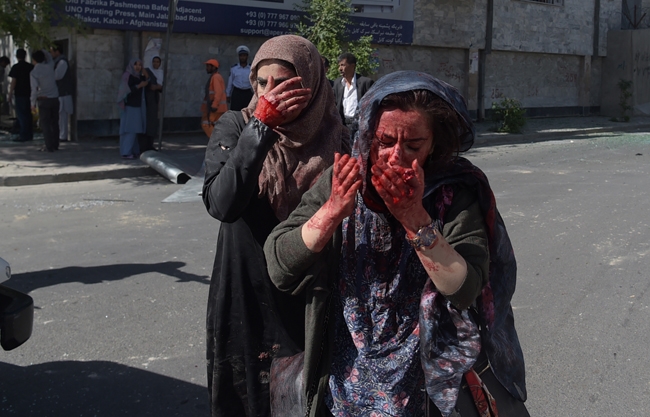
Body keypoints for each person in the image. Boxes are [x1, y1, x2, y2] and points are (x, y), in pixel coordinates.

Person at [264, 71, 529, 417]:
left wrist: (415, 219)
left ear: (434, 144)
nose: (395, 157)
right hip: (344, 389)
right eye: (384, 142)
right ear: (366, 136)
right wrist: (331, 212)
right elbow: (280, 266)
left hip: (424, 391)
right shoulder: (342, 180)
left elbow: (465, 290)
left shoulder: (454, 195)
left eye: (413, 146)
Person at [202, 34, 348, 417]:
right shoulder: (236, 126)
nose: (270, 94)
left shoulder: (337, 138)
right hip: (246, 290)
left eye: (283, 84)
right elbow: (222, 203)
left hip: (308, 294)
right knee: (245, 397)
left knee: (299, 400)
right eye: (262, 83)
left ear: (312, 86)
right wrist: (261, 129)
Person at [333, 52, 374, 133]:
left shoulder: (365, 83)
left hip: (360, 127)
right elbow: (333, 104)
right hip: (343, 126)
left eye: (343, 65)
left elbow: (372, 105)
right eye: (339, 65)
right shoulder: (337, 83)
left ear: (352, 66)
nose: (340, 69)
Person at [116, 58, 148, 159]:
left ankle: (134, 151)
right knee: (129, 130)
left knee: (134, 130)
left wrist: (145, 73)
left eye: (139, 65)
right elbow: (126, 91)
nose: (137, 67)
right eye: (135, 64)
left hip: (136, 106)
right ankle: (126, 152)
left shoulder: (139, 77)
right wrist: (139, 86)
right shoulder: (127, 76)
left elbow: (149, 81)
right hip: (130, 106)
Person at [30, 50, 59, 152]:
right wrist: (42, 49)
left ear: (34, 60)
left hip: (43, 99)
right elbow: (49, 57)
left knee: (46, 124)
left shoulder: (34, 72)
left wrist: (32, 103)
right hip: (55, 98)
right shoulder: (50, 66)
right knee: (55, 123)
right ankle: (55, 144)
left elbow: (34, 89)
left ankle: (49, 146)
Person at [8, 49, 34, 142]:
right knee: (28, 114)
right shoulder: (30, 67)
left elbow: (14, 81)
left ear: (17, 56)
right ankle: (29, 134)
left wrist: (10, 93)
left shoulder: (16, 67)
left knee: (21, 115)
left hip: (19, 93)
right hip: (29, 93)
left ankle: (23, 135)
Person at [50, 44, 74, 142]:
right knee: (59, 115)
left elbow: (57, 76)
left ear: (57, 52)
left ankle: (62, 136)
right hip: (59, 93)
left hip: (63, 93)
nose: (51, 54)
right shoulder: (56, 62)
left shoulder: (62, 62)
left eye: (52, 51)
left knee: (62, 115)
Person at [141, 55, 163, 152]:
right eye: (154, 61)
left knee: (152, 122)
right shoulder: (148, 71)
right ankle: (143, 145)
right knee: (145, 122)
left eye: (157, 62)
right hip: (146, 99)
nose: (155, 63)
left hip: (154, 100)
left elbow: (161, 87)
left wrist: (157, 87)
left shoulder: (160, 73)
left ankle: (150, 144)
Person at [201, 58, 227, 137]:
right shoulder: (216, 76)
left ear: (213, 67)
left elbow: (218, 92)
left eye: (208, 66)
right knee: (216, 125)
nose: (206, 68)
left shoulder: (215, 77)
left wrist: (214, 105)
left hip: (215, 108)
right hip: (217, 107)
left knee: (206, 123)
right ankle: (220, 140)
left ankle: (216, 140)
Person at [226, 45, 254, 111]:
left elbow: (254, 81)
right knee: (235, 112)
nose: (242, 57)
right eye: (241, 56)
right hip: (237, 92)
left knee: (248, 112)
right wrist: (228, 94)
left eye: (244, 55)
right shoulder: (234, 68)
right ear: (239, 57)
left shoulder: (251, 68)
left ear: (247, 56)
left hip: (247, 93)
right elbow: (230, 82)